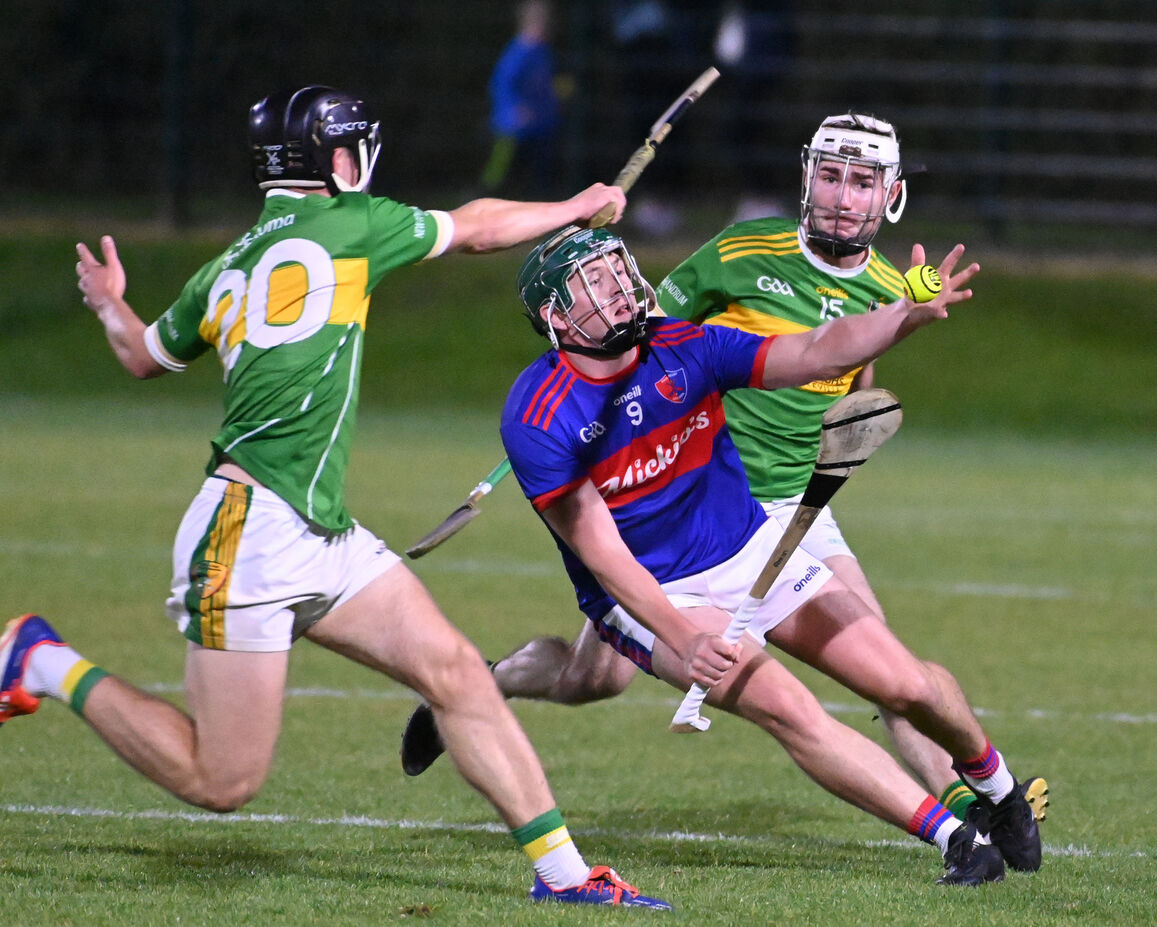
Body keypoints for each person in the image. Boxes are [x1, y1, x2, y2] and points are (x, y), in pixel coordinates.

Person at [0, 84, 672, 910]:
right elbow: (478, 228)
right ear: (338, 160)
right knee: (224, 779)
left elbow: (143, 355)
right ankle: (41, 659)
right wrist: (580, 203)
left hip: (316, 529)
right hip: (247, 534)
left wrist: (111, 305)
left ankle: (569, 877)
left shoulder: (228, 265)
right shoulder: (350, 225)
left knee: (457, 672)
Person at [402, 112, 1049, 848]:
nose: (842, 196)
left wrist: (902, 321)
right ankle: (486, 683)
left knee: (893, 675)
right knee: (593, 680)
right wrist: (564, 430)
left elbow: (840, 373)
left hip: (762, 507)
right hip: (665, 514)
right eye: (831, 175)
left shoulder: (888, 286)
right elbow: (641, 341)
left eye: (862, 181)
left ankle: (977, 811)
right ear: (807, 177)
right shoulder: (739, 253)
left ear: (889, 196)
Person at [479, 0, 562, 198]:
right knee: (499, 172)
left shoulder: (544, 52)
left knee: (539, 175)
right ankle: (484, 198)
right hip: (513, 128)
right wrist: (514, 109)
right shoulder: (518, 51)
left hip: (540, 127)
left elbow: (546, 86)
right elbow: (501, 84)